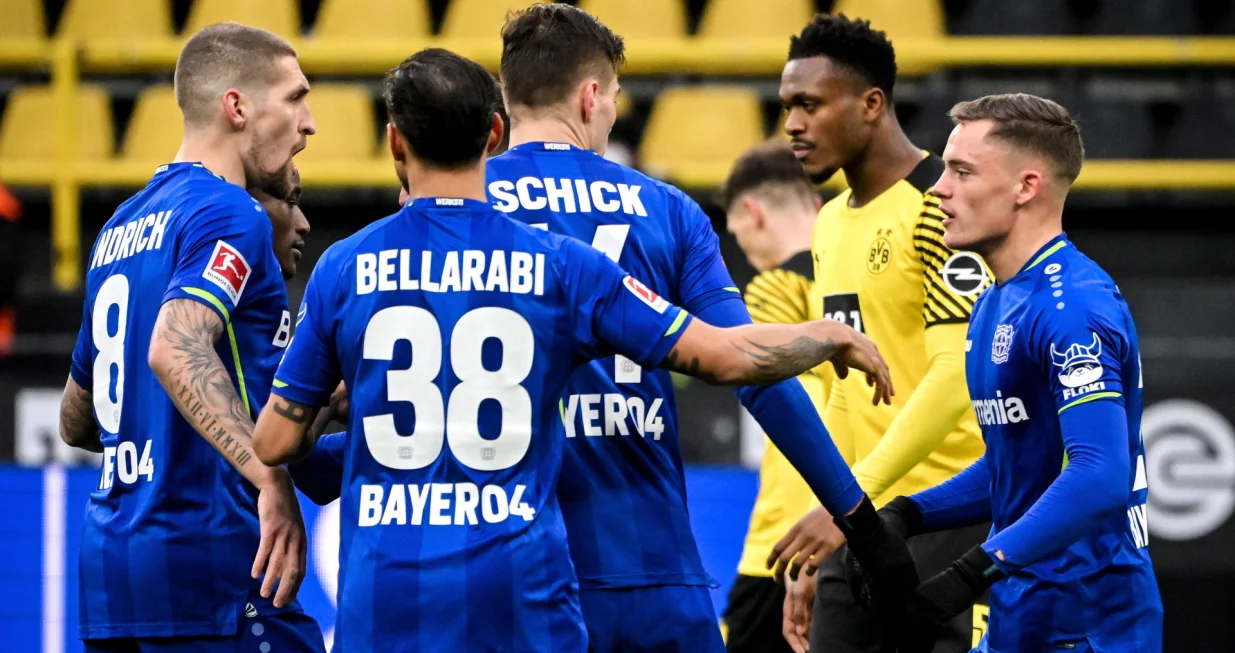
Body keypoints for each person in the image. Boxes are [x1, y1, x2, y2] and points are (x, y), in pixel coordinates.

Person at [249, 47, 899, 653]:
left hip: (393, 589)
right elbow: (733, 360)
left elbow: (280, 441)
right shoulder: (589, 249)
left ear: (396, 144)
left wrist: (333, 419)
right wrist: (823, 339)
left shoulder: (351, 262)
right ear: (585, 99)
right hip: (596, 572)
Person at [482, 6, 917, 651]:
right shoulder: (667, 211)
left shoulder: (456, 211)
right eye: (613, 102)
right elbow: (754, 372)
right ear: (591, 94)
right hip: (646, 566)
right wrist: (860, 522)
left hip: (502, 563)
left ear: (506, 103)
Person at [853, 93, 1163, 653]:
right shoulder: (994, 301)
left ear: (1026, 187)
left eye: (961, 171)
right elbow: (1015, 466)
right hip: (1021, 614)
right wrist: (908, 514)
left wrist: (971, 571)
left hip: (1089, 622)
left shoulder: (1073, 309)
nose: (938, 189)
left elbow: (1099, 475)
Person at [56, 23, 324, 652]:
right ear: (237, 107)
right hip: (210, 573)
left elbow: (76, 419)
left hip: (112, 578)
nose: (309, 122)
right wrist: (269, 479)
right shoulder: (231, 212)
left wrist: (155, 428)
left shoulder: (120, 226)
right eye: (294, 97)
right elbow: (173, 348)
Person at [767, 14, 990, 653]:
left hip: (951, 523)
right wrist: (827, 530)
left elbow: (957, 377)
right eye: (786, 107)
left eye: (809, 104)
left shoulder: (938, 206)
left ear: (871, 104)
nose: (793, 125)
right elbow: (844, 393)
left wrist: (852, 501)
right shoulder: (830, 221)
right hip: (860, 528)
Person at [717, 144, 832, 653]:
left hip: (788, 540)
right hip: (866, 522)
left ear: (751, 214)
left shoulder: (772, 290)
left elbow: (795, 408)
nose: (741, 245)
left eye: (736, 233)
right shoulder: (859, 279)